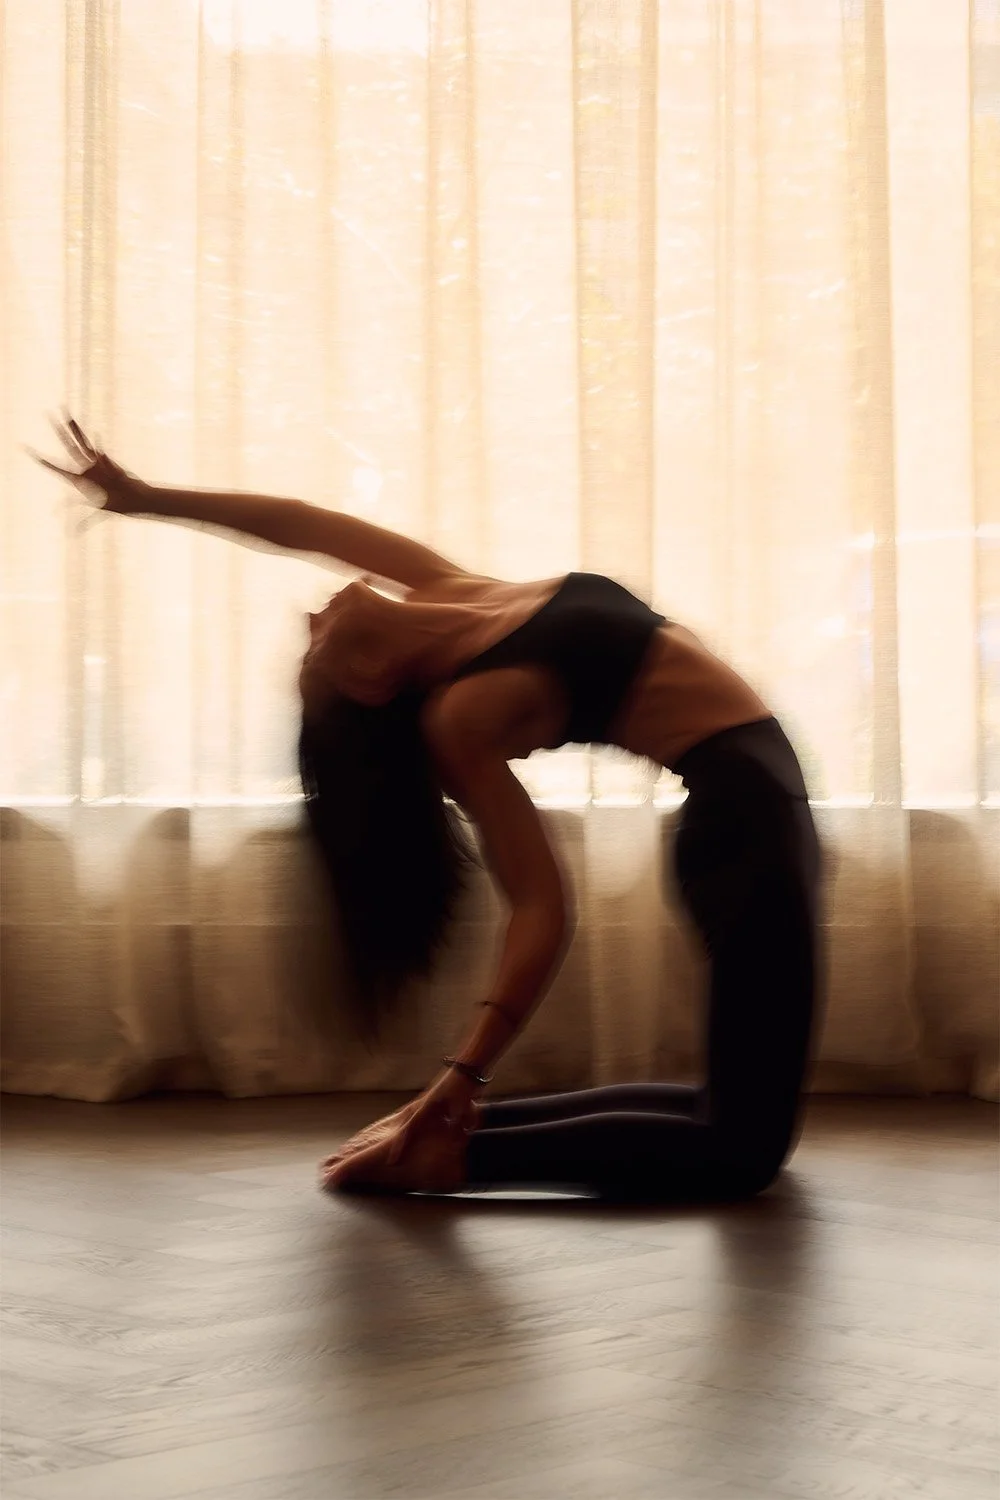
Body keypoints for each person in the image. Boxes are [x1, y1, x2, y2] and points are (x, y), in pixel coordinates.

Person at [35, 417, 823, 1202]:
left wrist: (144, 497)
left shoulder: (449, 592)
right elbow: (541, 905)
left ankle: (451, 1129)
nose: (309, 622)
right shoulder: (465, 715)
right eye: (314, 657)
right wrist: (468, 1066)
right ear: (371, 681)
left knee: (732, 1120)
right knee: (744, 1153)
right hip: (742, 825)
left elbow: (305, 523)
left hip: (754, 807)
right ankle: (455, 1159)